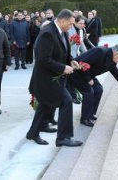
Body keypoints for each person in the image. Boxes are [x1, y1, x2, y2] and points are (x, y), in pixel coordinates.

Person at [26, 9, 82, 147]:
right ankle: (63, 138)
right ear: (62, 20)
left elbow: (63, 51)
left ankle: (33, 133)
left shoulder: (61, 30)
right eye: (70, 24)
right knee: (66, 101)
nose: (71, 27)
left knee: (45, 105)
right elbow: (43, 59)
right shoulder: (47, 33)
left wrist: (71, 61)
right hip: (46, 80)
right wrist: (63, 68)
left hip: (53, 78)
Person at [69, 44, 118, 127]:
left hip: (88, 75)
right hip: (76, 72)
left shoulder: (112, 61)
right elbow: (83, 62)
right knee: (89, 92)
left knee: (98, 89)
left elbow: (117, 75)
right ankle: (84, 118)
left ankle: (90, 114)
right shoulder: (100, 51)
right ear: (116, 53)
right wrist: (88, 79)